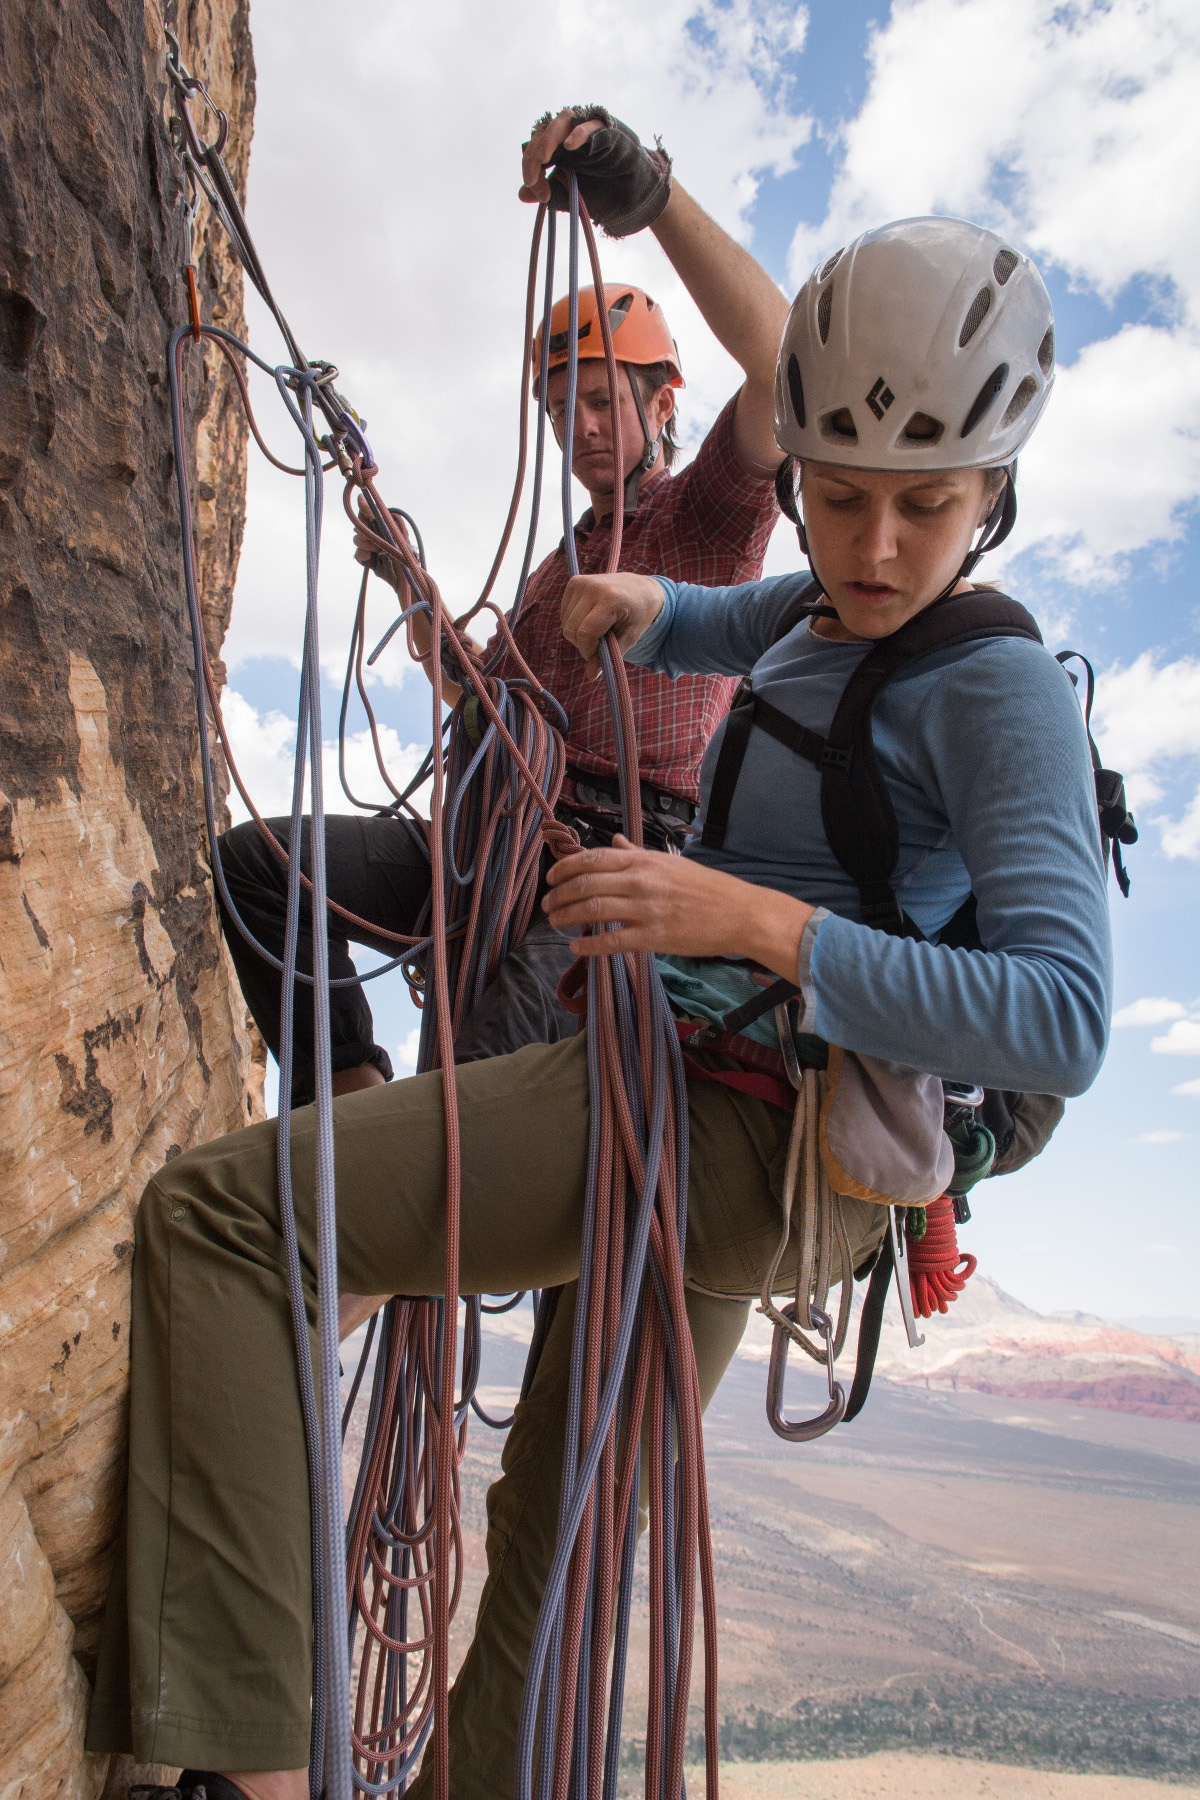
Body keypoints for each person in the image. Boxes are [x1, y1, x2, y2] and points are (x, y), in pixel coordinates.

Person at [88, 217, 1112, 1799]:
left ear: (997, 498)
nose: (877, 546)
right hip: (737, 1132)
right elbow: (711, 620)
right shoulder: (808, 612)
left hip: (726, 1118)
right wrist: (622, 596)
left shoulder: (996, 689)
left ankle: (247, 1767)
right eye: (838, 499)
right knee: (563, 1518)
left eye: (929, 508)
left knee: (232, 1226)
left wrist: (750, 918)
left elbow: (1063, 1018)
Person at [214, 103, 787, 1114]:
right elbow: (474, 698)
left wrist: (650, 200)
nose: (583, 430)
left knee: (457, 1103)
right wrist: (408, 586)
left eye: (607, 403)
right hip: (494, 834)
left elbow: (786, 371)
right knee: (261, 866)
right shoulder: (553, 570)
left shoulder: (706, 520)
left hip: (607, 862)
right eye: (565, 412)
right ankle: (348, 1079)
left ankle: (390, 1222)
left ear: (663, 406)